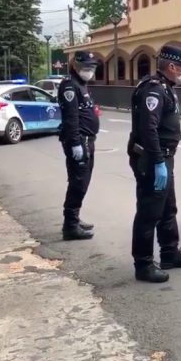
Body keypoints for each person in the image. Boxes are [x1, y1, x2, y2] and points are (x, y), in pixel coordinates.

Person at [127, 45, 181, 283]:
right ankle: (143, 264)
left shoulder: (166, 87)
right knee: (149, 212)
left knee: (168, 207)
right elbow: (149, 129)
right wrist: (158, 161)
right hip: (152, 158)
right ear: (171, 67)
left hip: (164, 157)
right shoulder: (153, 90)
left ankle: (169, 252)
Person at [58, 50, 100, 241]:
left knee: (82, 181)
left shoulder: (82, 85)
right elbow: (71, 117)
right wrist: (75, 143)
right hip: (79, 140)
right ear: (75, 65)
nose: (89, 71)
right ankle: (70, 226)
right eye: (85, 67)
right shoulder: (70, 85)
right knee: (78, 182)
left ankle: (75, 218)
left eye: (92, 67)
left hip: (87, 140)